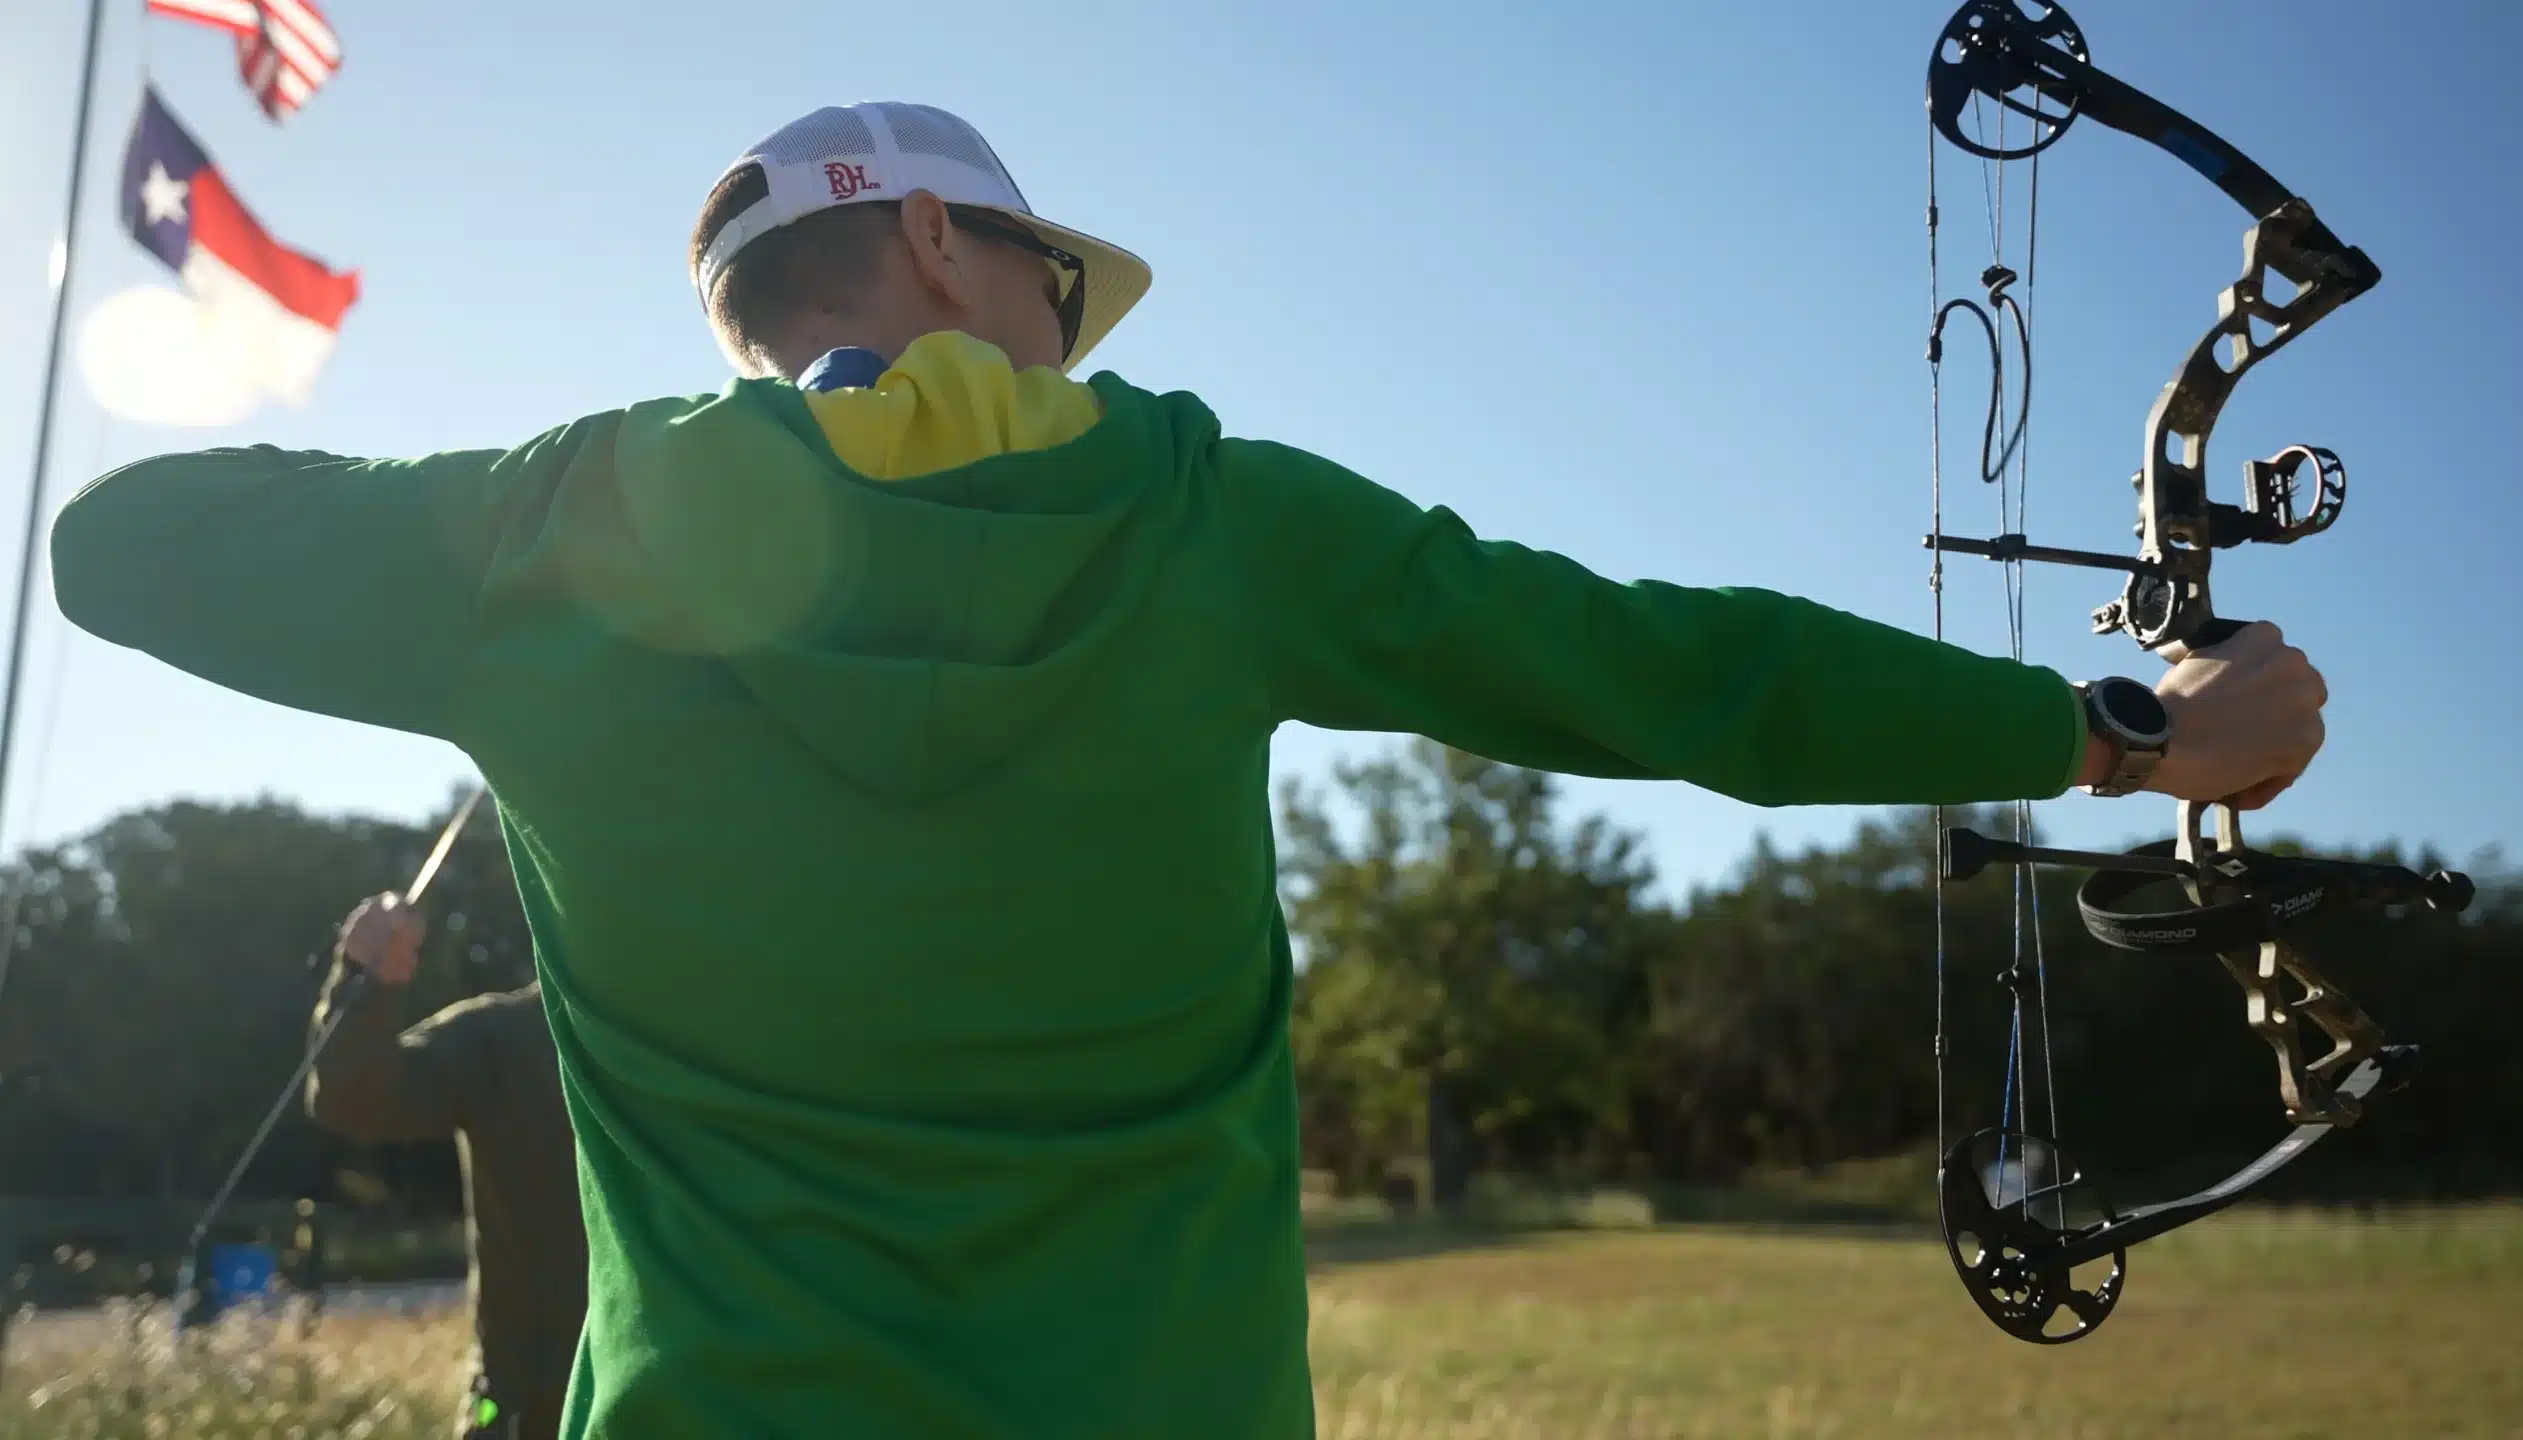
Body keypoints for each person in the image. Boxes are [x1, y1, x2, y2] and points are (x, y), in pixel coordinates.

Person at [49, 102, 2326, 1438]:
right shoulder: (1211, 518)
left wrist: (588, 494)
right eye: (1053, 278)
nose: (1072, 322)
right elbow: (1670, 674)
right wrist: (2113, 725)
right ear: (946, 241)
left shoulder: (557, 547)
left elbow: (121, 546)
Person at [306, 892, 586, 1439]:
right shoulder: (504, 1040)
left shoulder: (732, 1038)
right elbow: (353, 1096)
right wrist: (364, 983)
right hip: (524, 1415)